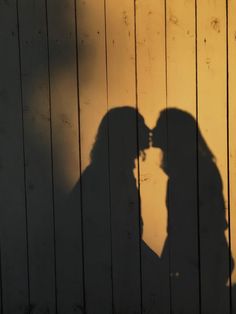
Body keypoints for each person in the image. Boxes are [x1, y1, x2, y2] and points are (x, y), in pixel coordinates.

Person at [152, 108, 234, 314]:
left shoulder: (192, 171)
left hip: (202, 266)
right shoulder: (191, 169)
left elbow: (186, 229)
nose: (154, 129)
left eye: (160, 124)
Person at [73, 106, 155, 313]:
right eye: (140, 124)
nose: (148, 129)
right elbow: (118, 238)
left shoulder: (116, 171)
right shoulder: (108, 175)